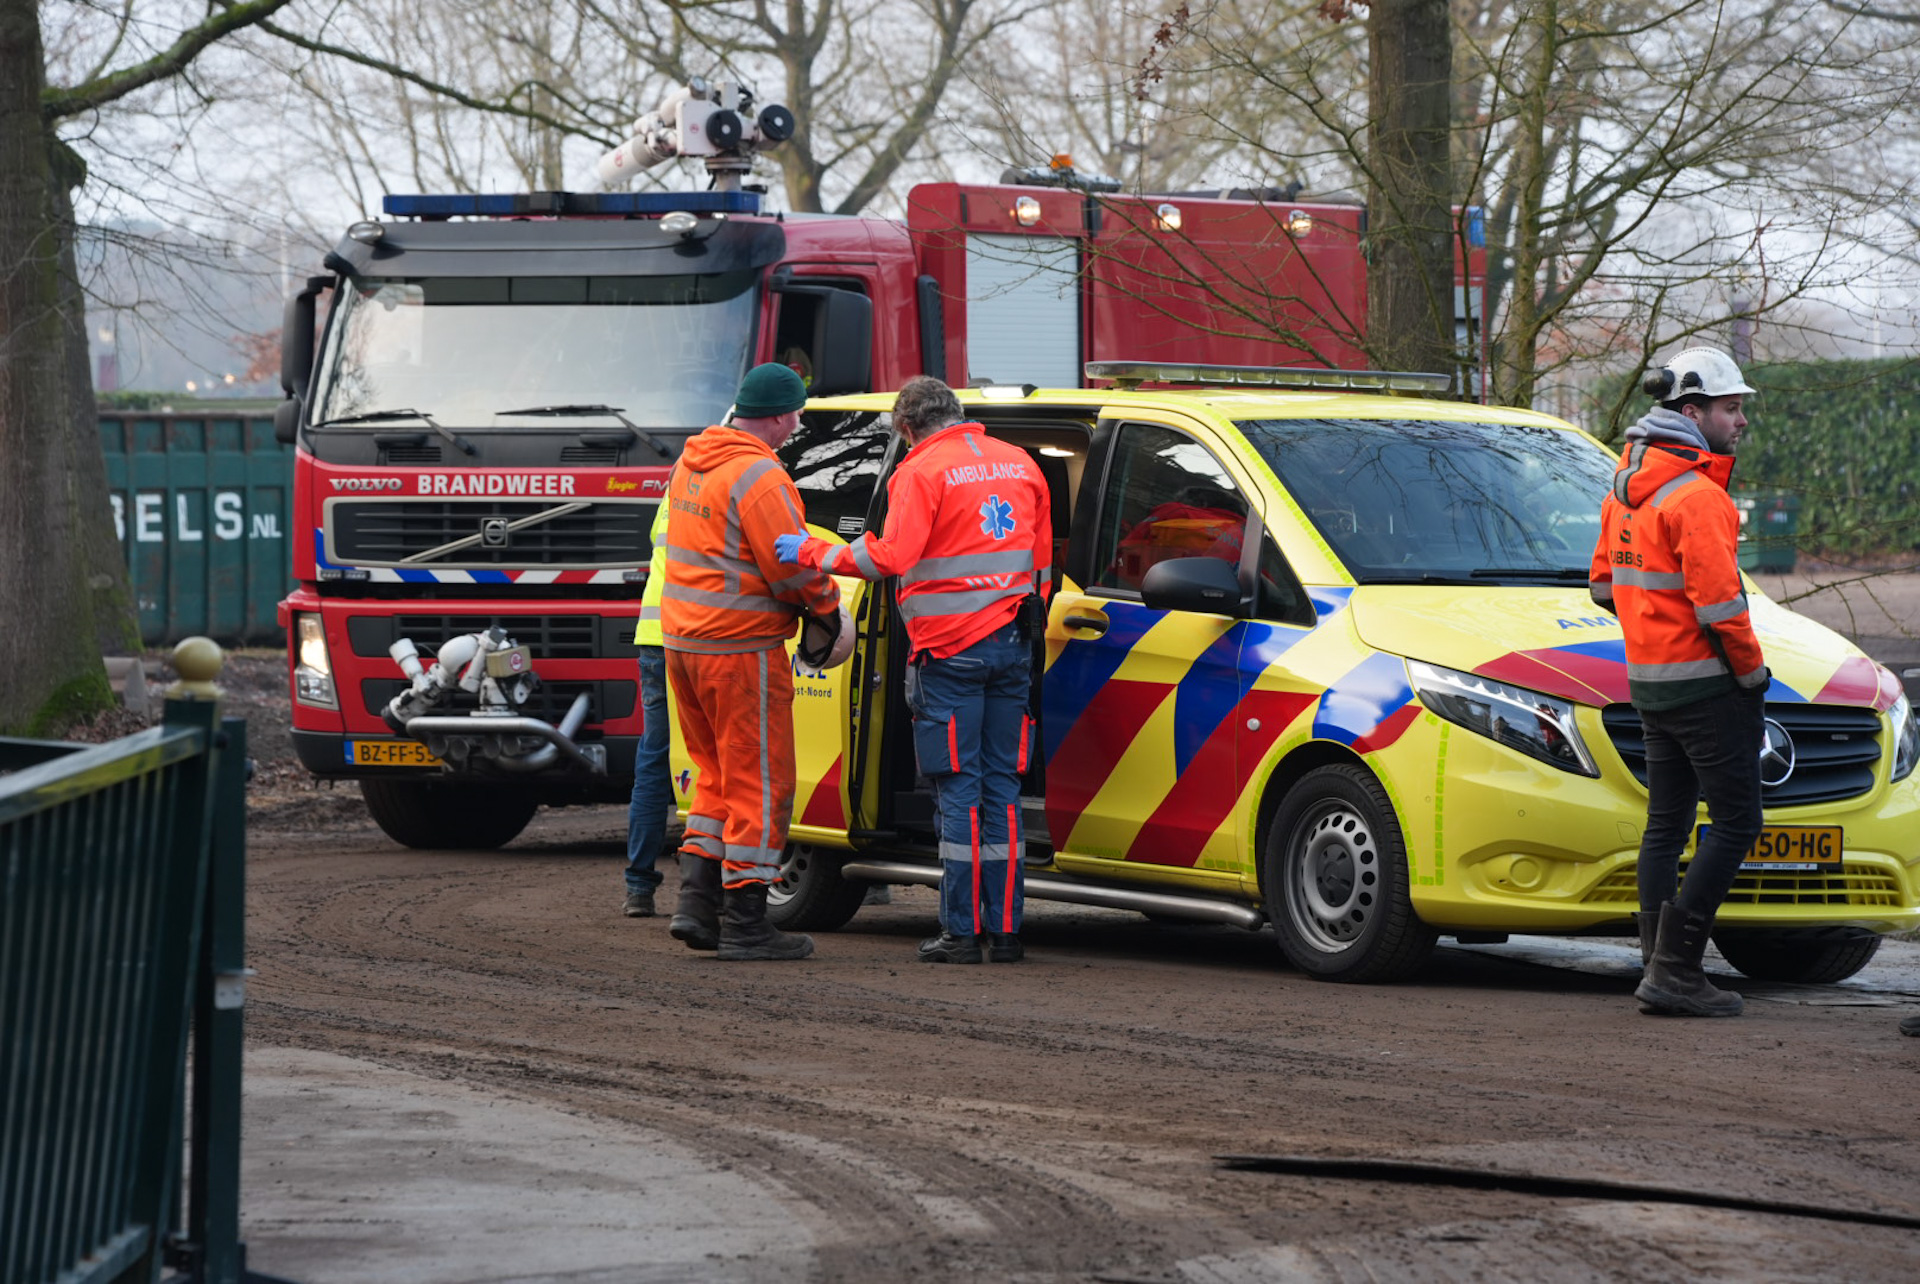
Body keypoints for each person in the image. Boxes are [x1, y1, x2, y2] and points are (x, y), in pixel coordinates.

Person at [775, 376, 1052, 964]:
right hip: (1011, 648)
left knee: (957, 791)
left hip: (950, 654)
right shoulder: (1021, 464)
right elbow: (1042, 568)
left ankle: (959, 932)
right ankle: (1004, 934)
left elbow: (888, 557)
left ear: (906, 428)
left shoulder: (920, 472)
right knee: (1001, 788)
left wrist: (810, 552)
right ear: (956, 412)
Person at [1589, 346, 1767, 1018]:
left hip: (1651, 685)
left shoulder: (1624, 483)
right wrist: (1752, 677)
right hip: (1708, 689)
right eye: (1730, 407)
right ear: (1691, 412)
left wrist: (1651, 624)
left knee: (1665, 825)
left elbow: (1604, 584)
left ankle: (1653, 962)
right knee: (1737, 822)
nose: (1741, 419)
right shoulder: (1699, 498)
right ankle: (1677, 969)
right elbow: (1724, 609)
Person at [661, 363, 846, 961]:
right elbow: (791, 567)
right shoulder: (760, 477)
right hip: (740, 650)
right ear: (780, 415)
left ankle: (696, 901)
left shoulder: (693, 462)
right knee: (763, 786)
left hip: (684, 645)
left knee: (713, 776)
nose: (795, 426)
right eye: (795, 415)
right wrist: (828, 608)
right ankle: (745, 920)